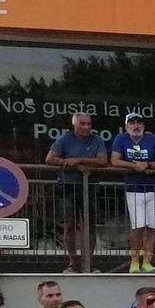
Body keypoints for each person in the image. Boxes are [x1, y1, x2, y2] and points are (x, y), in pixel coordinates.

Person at [45, 111, 111, 271]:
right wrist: (71, 164)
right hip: (68, 186)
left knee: (90, 226)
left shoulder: (97, 140)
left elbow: (103, 161)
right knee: (70, 226)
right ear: (74, 124)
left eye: (89, 124)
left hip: (90, 186)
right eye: (83, 124)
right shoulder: (65, 139)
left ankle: (88, 263)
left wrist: (78, 160)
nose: (87, 127)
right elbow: (49, 159)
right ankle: (73, 263)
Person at [110, 116, 155, 273]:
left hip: (154, 189)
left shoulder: (153, 139)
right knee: (137, 227)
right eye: (132, 123)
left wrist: (148, 164)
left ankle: (147, 261)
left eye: (139, 123)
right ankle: (135, 261)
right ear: (126, 125)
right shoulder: (121, 138)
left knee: (152, 228)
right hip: (134, 189)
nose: (136, 126)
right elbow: (115, 160)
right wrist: (134, 166)